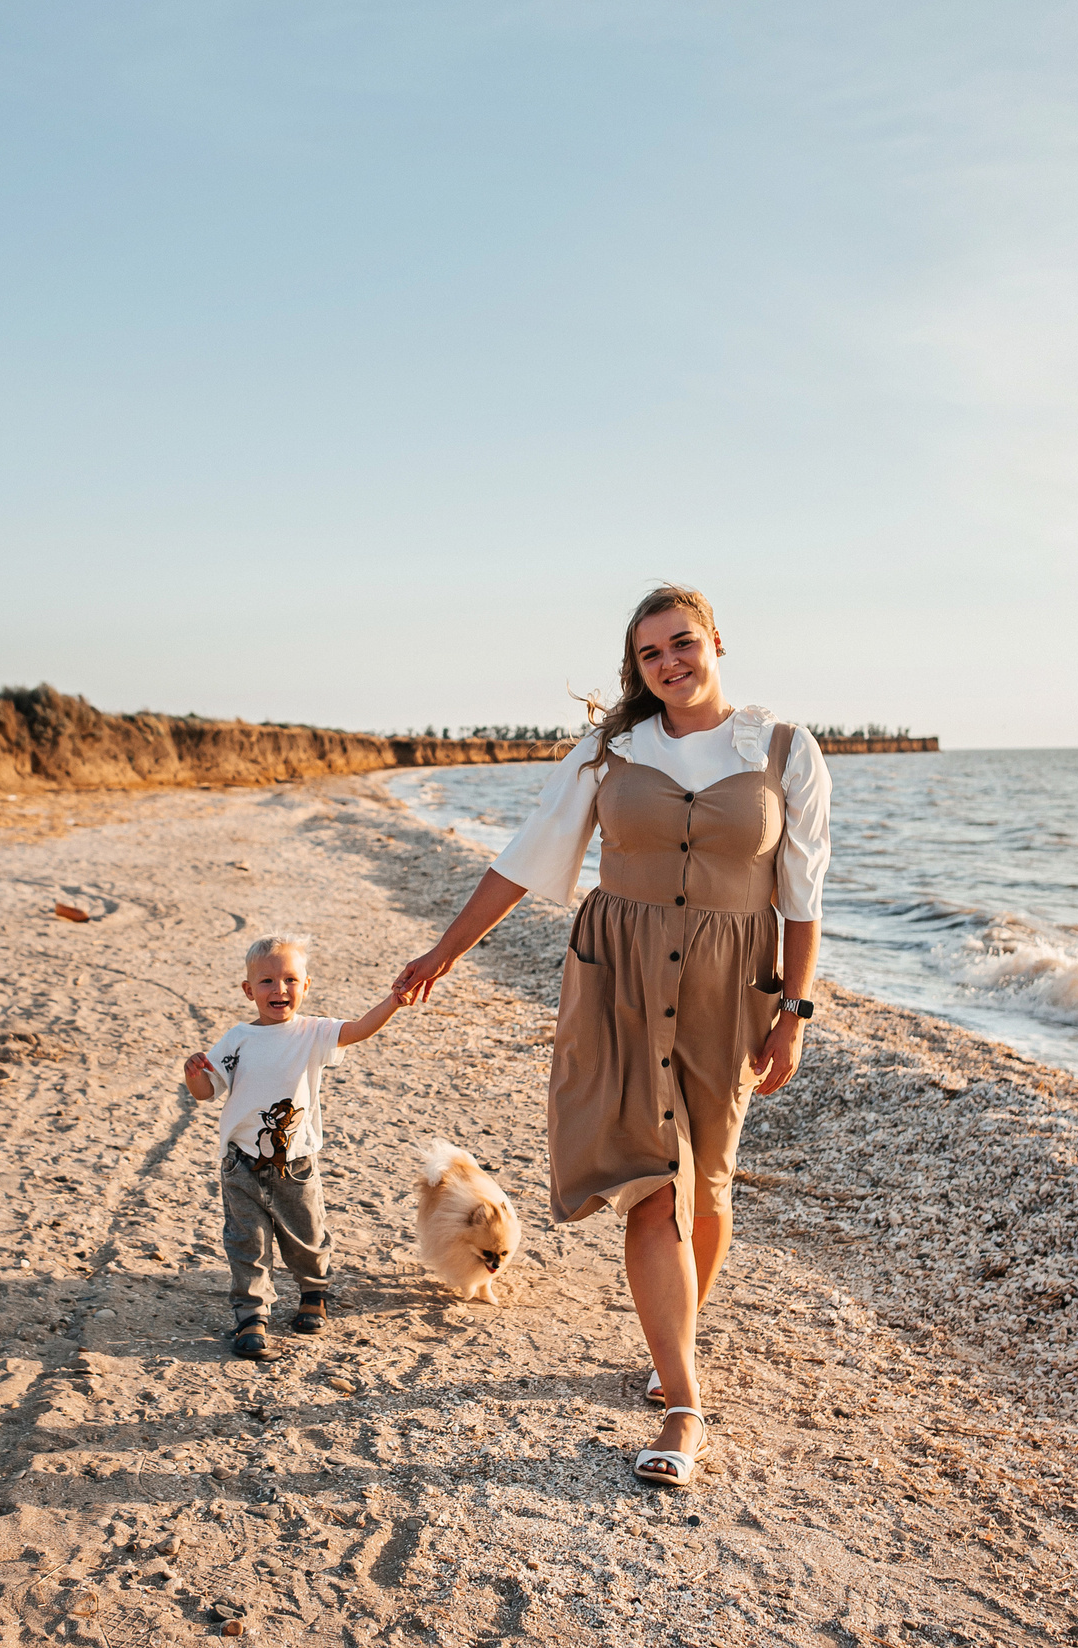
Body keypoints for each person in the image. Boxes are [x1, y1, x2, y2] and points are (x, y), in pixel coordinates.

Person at [392, 585, 829, 1485]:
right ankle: (682, 1405)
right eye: (650, 654)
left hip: (728, 987)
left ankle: (676, 1345)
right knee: (651, 1189)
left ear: (716, 642)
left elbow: (803, 894)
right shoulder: (610, 751)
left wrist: (794, 1013)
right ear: (634, 668)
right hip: (619, 982)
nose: (669, 663)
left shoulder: (784, 749)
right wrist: (442, 952)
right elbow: (526, 855)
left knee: (705, 1189)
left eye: (683, 643)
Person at [186, 935, 409, 1360]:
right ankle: (252, 1317)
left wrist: (393, 1002)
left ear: (306, 986)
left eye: (290, 979)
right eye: (267, 981)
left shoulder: (313, 1032)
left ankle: (313, 1294)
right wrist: (192, 1073)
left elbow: (360, 1029)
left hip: (296, 1162)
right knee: (246, 1241)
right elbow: (204, 1092)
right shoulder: (236, 1039)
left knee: (305, 1235)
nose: (279, 989)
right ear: (248, 990)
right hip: (240, 1164)